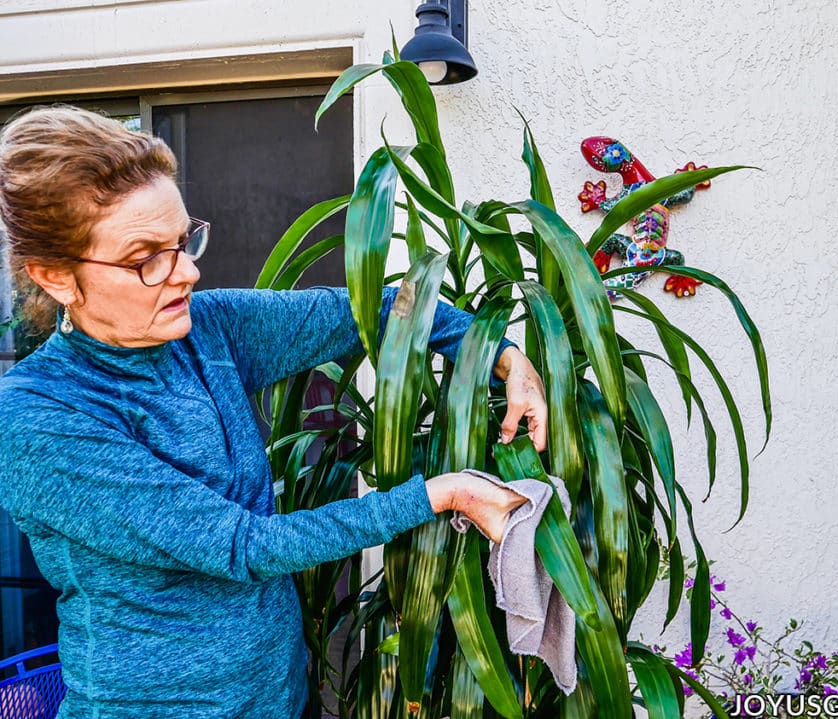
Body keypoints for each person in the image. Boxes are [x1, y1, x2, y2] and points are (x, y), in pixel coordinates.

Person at [0, 105, 549, 718]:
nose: (187, 271)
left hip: (280, 695)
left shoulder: (208, 329)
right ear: (56, 277)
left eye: (183, 241)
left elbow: (387, 307)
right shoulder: (38, 417)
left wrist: (502, 357)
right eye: (146, 257)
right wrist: (441, 494)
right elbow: (242, 547)